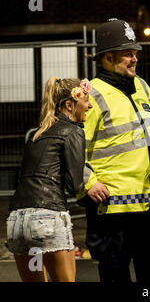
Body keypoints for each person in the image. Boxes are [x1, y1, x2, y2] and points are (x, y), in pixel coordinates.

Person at [77, 18, 150, 283]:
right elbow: (72, 151)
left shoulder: (142, 86)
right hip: (113, 213)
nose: (134, 58)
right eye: (127, 54)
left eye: (135, 53)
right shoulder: (92, 95)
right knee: (115, 276)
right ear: (108, 57)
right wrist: (87, 184)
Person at [6, 76, 92, 282]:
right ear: (69, 105)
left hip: (17, 222)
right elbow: (76, 185)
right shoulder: (73, 131)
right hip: (47, 219)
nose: (89, 105)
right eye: (86, 100)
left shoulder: (37, 134)